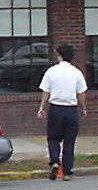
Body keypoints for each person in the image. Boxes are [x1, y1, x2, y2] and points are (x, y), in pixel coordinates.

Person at [36, 43, 88, 181]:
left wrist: (41, 107)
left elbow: (45, 91)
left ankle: (54, 162)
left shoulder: (51, 71)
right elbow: (81, 93)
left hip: (56, 108)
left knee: (53, 138)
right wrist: (82, 109)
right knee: (69, 141)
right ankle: (67, 172)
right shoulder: (76, 72)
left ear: (59, 55)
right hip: (71, 109)